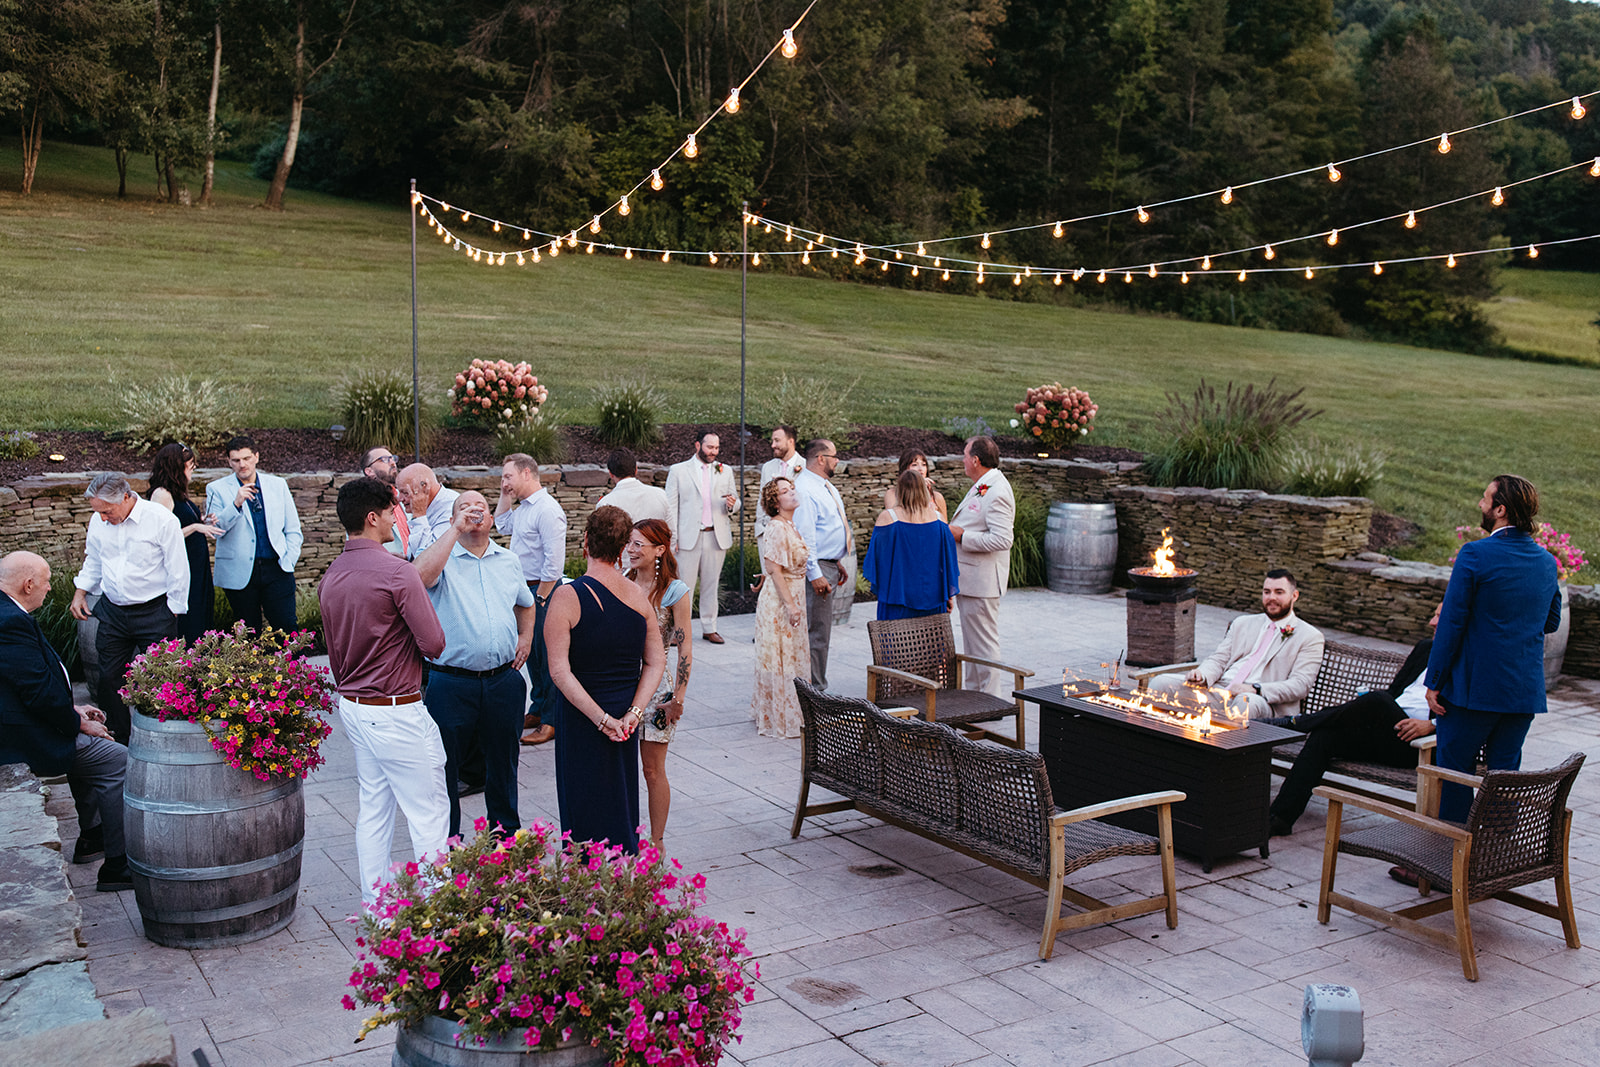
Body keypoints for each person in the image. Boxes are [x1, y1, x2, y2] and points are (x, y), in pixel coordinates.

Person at [318, 477, 450, 907]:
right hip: (395, 709)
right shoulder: (397, 572)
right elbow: (434, 644)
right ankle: (441, 915)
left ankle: (378, 910)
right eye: (393, 509)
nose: (400, 515)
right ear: (372, 518)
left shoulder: (332, 575)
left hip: (354, 707)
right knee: (428, 814)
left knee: (374, 811)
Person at [1425, 474, 1562, 825]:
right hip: (1521, 693)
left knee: (1455, 773)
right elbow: (1550, 622)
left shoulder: (1475, 553)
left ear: (1500, 510)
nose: (1481, 505)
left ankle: (1446, 864)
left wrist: (1435, 681)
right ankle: (1493, 862)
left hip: (1473, 691)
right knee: (1504, 779)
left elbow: (1451, 624)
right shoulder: (1547, 562)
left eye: (1485, 499)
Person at [1, 552, 132, 892]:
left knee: (90, 754)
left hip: (24, 721)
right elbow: (37, 693)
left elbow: (25, 686)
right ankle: (118, 866)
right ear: (28, 584)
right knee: (116, 759)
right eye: (45, 582)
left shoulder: (7, 610)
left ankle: (92, 837)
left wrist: (71, 710)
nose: (48, 588)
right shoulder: (9, 622)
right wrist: (76, 724)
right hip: (20, 739)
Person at [412, 491, 535, 840]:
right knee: (445, 768)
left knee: (503, 764)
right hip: (452, 684)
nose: (474, 510)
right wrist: (453, 530)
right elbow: (417, 578)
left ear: (492, 519)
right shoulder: (441, 559)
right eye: (464, 507)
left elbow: (526, 604)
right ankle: (448, 844)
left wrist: (525, 637)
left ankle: (506, 839)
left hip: (503, 681)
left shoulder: (508, 560)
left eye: (480, 506)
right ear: (452, 519)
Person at [544, 505, 664, 854]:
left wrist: (601, 720)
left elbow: (559, 671)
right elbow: (655, 663)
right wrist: (633, 715)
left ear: (584, 542)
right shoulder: (639, 598)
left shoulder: (567, 596)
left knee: (583, 805)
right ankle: (624, 877)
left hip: (583, 719)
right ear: (625, 546)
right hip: (624, 717)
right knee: (620, 801)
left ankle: (588, 882)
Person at [1267, 606, 1441, 836]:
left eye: (1439, 616)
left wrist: (1431, 725)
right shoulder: (1425, 649)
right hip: (1391, 731)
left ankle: (1296, 723)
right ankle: (1280, 817)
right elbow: (1394, 693)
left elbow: (1471, 717)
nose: (1431, 621)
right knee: (1325, 737)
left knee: (1377, 699)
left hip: (1421, 747)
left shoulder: (1469, 662)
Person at [69, 473, 188, 745]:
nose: (101, 518)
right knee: (109, 677)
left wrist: (173, 611)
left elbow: (178, 569)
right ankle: (120, 740)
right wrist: (80, 592)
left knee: (162, 679)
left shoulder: (161, 520)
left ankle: (166, 739)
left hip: (155, 612)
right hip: (112, 611)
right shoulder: (99, 520)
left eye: (107, 511)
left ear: (126, 497)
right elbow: (94, 560)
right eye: (97, 512)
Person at [1148, 569, 1326, 720]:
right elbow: (1219, 659)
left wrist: (1255, 689)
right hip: (1219, 690)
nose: (1271, 598)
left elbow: (1300, 685)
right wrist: (1202, 674)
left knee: (1245, 703)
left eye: (1279, 592)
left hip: (1262, 700)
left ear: (1294, 596)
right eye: (1267, 592)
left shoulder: (1310, 636)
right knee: (1160, 683)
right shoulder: (1242, 623)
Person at [623, 518, 692, 848]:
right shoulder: (622, 581)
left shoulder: (674, 592)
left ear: (659, 550)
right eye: (630, 543)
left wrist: (677, 697)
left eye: (639, 544)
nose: (631, 550)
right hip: (620, 682)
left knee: (652, 769)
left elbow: (685, 648)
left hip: (658, 689)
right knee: (621, 771)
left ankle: (657, 841)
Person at [495, 453, 566, 746]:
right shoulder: (524, 507)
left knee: (548, 657)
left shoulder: (548, 510)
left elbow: (554, 562)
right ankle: (537, 709)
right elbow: (501, 525)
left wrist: (541, 599)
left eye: (508, 477)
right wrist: (504, 494)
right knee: (531, 656)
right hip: (524, 590)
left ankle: (551, 720)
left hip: (543, 591)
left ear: (526, 473)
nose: (504, 482)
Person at [205, 435, 303, 634]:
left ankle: (294, 666)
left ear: (256, 457)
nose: (242, 465)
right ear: (229, 462)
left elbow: (293, 529)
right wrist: (235, 504)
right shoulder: (216, 489)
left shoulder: (278, 485)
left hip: (277, 567)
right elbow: (216, 531)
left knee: (287, 628)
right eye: (236, 460)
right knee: (248, 634)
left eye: (247, 458)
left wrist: (289, 558)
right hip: (239, 572)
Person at [949, 436, 1015, 699]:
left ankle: (990, 700)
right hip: (973, 580)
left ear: (975, 460)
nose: (963, 460)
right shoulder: (984, 484)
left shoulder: (997, 490)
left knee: (984, 645)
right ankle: (975, 697)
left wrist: (961, 536)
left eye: (965, 455)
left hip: (983, 581)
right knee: (973, 645)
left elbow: (1002, 540)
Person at [664, 430, 740, 644]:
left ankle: (709, 627)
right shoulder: (679, 470)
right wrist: (673, 539)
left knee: (711, 584)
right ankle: (678, 631)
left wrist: (732, 505)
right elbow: (671, 506)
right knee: (682, 586)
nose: (713, 452)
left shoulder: (725, 470)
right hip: (688, 537)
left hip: (716, 536)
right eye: (709, 447)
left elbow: (735, 499)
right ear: (697, 445)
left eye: (716, 448)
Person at [147, 442, 223, 643]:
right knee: (190, 616)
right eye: (190, 465)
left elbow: (182, 521)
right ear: (175, 467)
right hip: (183, 565)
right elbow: (159, 537)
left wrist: (203, 521)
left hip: (197, 565)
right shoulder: (161, 494)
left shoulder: (179, 492)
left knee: (201, 609)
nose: (193, 469)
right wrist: (196, 528)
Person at [751, 477, 810, 738]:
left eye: (792, 488)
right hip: (780, 601)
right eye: (785, 492)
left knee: (793, 656)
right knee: (781, 656)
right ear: (775, 502)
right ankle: (779, 715)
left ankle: (795, 710)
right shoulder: (776, 527)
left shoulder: (790, 525)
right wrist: (790, 605)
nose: (792, 493)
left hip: (793, 592)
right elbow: (774, 568)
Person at [792, 439, 853, 689]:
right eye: (834, 456)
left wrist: (835, 561)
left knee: (821, 632)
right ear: (820, 458)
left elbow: (826, 528)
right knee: (817, 634)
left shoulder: (825, 486)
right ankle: (815, 691)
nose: (837, 460)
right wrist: (816, 574)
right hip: (816, 570)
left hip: (828, 565)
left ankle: (815, 687)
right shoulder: (806, 489)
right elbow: (805, 538)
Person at [861, 467, 959, 620]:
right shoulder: (939, 520)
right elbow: (947, 562)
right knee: (929, 643)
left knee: (897, 643)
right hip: (933, 597)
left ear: (899, 490)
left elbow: (877, 558)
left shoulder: (888, 518)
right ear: (924, 490)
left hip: (896, 597)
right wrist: (948, 595)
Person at [755, 425, 805, 546]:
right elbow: (762, 498)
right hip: (768, 532)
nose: (773, 445)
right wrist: (761, 528)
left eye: (777, 440)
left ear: (791, 441)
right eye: (772, 441)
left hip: (796, 535)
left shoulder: (806, 466)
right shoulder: (768, 467)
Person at [396, 463, 460, 558]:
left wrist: (419, 515)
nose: (399, 499)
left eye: (405, 492)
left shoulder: (452, 508)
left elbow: (429, 559)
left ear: (424, 487)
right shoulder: (425, 505)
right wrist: (407, 560)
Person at [596, 449, 669, 523]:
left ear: (610, 473)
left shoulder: (606, 503)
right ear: (636, 469)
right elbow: (672, 531)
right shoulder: (661, 495)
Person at [361, 445, 410, 555]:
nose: (393, 463)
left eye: (392, 458)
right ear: (369, 471)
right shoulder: (361, 501)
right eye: (384, 460)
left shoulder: (402, 497)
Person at [883, 448, 948, 522]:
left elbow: (944, 527)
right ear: (904, 469)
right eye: (914, 465)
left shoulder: (937, 497)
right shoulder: (892, 494)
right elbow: (894, 521)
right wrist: (916, 486)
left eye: (924, 465)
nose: (921, 469)